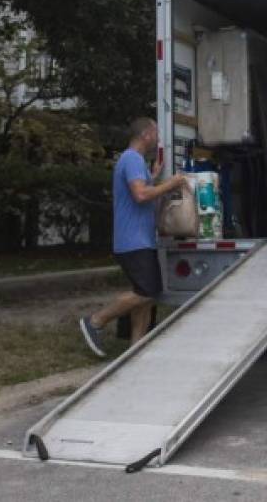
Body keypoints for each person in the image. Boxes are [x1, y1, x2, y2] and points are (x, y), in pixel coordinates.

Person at [79, 117, 187, 357]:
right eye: (156, 133)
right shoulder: (131, 159)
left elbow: (143, 192)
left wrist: (154, 178)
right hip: (133, 241)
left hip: (141, 240)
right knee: (147, 291)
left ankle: (135, 349)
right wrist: (170, 184)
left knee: (148, 295)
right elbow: (140, 195)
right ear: (146, 134)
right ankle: (95, 321)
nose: (159, 138)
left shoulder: (134, 161)